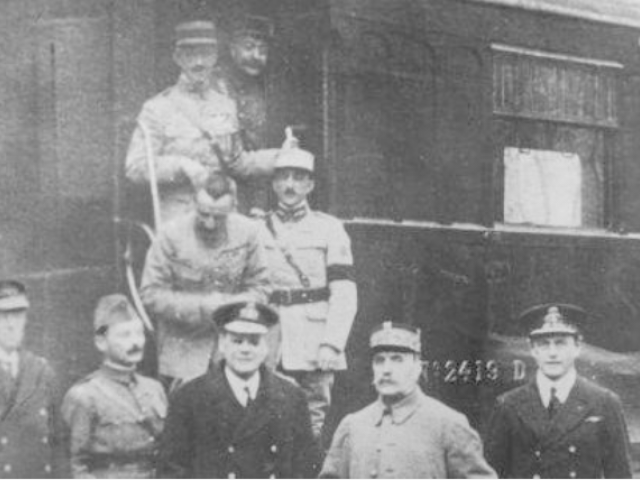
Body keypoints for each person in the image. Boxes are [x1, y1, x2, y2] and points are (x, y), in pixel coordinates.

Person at [125, 20, 288, 224]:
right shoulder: (157, 108)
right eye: (191, 54)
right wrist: (181, 166)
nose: (199, 62)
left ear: (215, 57)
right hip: (181, 216)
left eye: (206, 54)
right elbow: (135, 167)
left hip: (225, 211)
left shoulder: (226, 105)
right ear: (178, 58)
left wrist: (281, 157)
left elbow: (237, 162)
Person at [157, 301, 319, 478]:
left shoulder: (291, 397)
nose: (245, 350)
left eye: (254, 342)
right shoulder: (189, 397)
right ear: (222, 344)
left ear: (266, 348)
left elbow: (305, 467)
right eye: (237, 341)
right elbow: (172, 470)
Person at [140, 173, 271, 390]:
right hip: (183, 352)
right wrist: (201, 307)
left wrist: (233, 305)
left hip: (236, 349)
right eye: (203, 214)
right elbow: (150, 293)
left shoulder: (249, 233)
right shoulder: (170, 235)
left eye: (219, 217)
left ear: (234, 207)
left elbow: (262, 286)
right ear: (193, 202)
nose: (210, 224)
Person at [261, 147, 357, 440]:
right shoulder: (256, 228)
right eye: (283, 177)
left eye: (298, 178)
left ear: (310, 185)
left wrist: (332, 343)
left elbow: (344, 292)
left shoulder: (329, 229)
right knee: (263, 416)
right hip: (269, 336)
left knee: (311, 419)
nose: (290, 185)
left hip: (314, 338)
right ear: (274, 184)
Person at [320, 322, 497, 479]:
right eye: (379, 361)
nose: (386, 370)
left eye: (397, 360)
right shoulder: (352, 426)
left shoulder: (449, 425)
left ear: (417, 367)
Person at [485, 304, 632, 478]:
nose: (552, 353)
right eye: (544, 344)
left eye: (561, 343)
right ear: (533, 350)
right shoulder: (508, 405)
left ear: (577, 347)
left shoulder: (604, 403)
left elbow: (620, 474)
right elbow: (490, 474)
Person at [61, 294, 167, 478]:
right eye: (124, 335)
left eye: (139, 333)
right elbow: (74, 466)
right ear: (101, 342)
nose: (135, 342)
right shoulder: (84, 396)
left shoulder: (154, 389)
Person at [0, 280, 65, 478]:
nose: (11, 324)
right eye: (2, 315)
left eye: (18, 314)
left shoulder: (42, 372)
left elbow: (59, 447)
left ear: (26, 318)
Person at [218, 13, 274, 214]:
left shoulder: (261, 89)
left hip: (254, 185)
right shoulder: (218, 87)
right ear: (233, 50)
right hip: (222, 188)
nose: (256, 56)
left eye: (262, 50)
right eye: (248, 47)